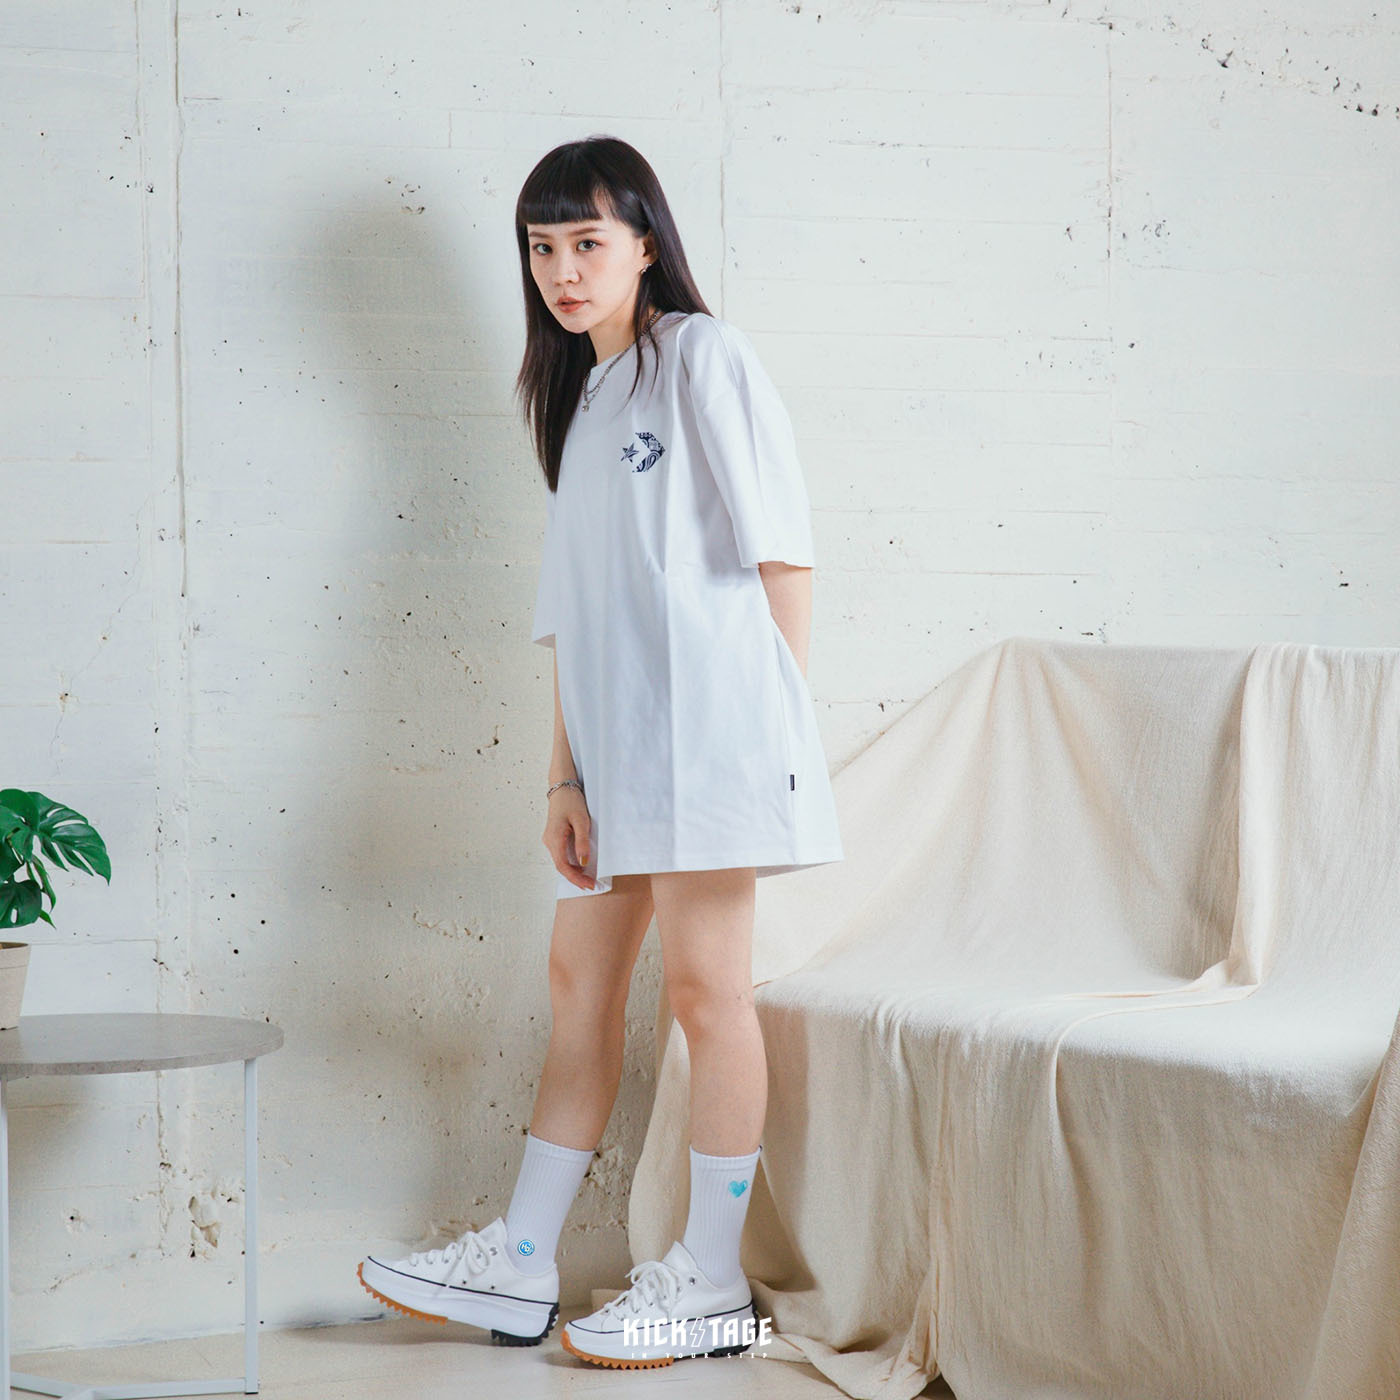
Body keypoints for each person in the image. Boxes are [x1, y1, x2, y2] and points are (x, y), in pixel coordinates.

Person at [357, 135, 843, 1370]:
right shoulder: (579, 400)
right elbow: (572, 615)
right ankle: (522, 1257)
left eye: (587, 241)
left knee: (704, 992)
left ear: (643, 243)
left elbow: (782, 552)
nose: (563, 270)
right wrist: (564, 776)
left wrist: (776, 721)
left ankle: (710, 1278)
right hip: (616, 752)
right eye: (542, 247)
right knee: (579, 981)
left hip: (712, 736)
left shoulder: (700, 357)